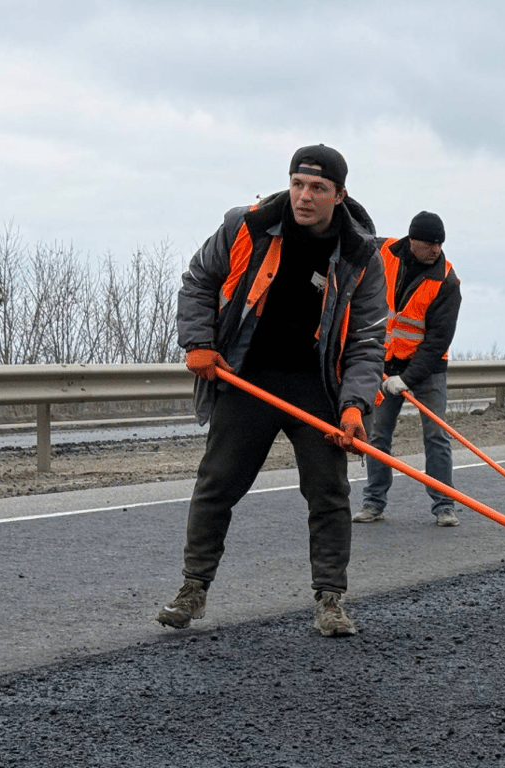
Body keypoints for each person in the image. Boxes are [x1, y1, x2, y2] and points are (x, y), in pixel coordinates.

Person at [158, 144, 387, 637]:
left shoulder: (362, 255)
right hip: (247, 376)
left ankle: (330, 599)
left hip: (316, 387)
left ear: (339, 195)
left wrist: (353, 406)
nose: (304, 196)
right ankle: (192, 589)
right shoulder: (248, 226)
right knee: (216, 485)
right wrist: (198, 342)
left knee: (328, 493)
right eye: (298, 183)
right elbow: (197, 281)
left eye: (318, 188)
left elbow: (369, 341)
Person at [354, 211, 463, 527]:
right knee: (376, 436)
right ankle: (373, 504)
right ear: (413, 240)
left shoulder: (447, 281)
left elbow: (436, 341)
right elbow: (352, 241)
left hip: (427, 371)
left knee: (436, 436)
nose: (436, 250)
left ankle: (444, 505)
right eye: (430, 244)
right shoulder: (384, 252)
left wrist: (407, 379)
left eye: (440, 244)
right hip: (386, 366)